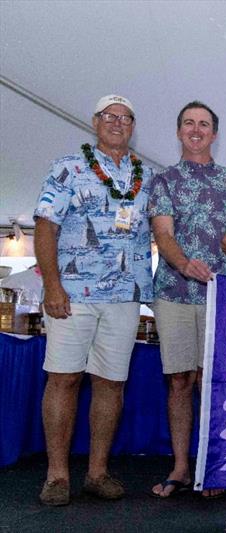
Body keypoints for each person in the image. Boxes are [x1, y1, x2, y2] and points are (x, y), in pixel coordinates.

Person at [33, 95, 154, 506]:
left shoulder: (147, 176)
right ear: (95, 121)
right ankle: (57, 476)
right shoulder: (68, 167)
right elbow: (45, 226)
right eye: (109, 116)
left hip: (125, 296)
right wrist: (51, 285)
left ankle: (97, 473)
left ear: (133, 126)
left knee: (111, 384)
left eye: (125, 118)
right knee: (64, 378)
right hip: (72, 294)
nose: (117, 123)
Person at [146, 101, 226, 499]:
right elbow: (163, 234)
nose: (196, 129)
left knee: (214, 382)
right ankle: (180, 466)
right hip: (173, 292)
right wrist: (184, 264)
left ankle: (213, 464)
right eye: (189, 123)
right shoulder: (164, 180)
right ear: (178, 132)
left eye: (204, 124)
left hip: (222, 292)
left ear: (214, 134)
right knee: (179, 381)